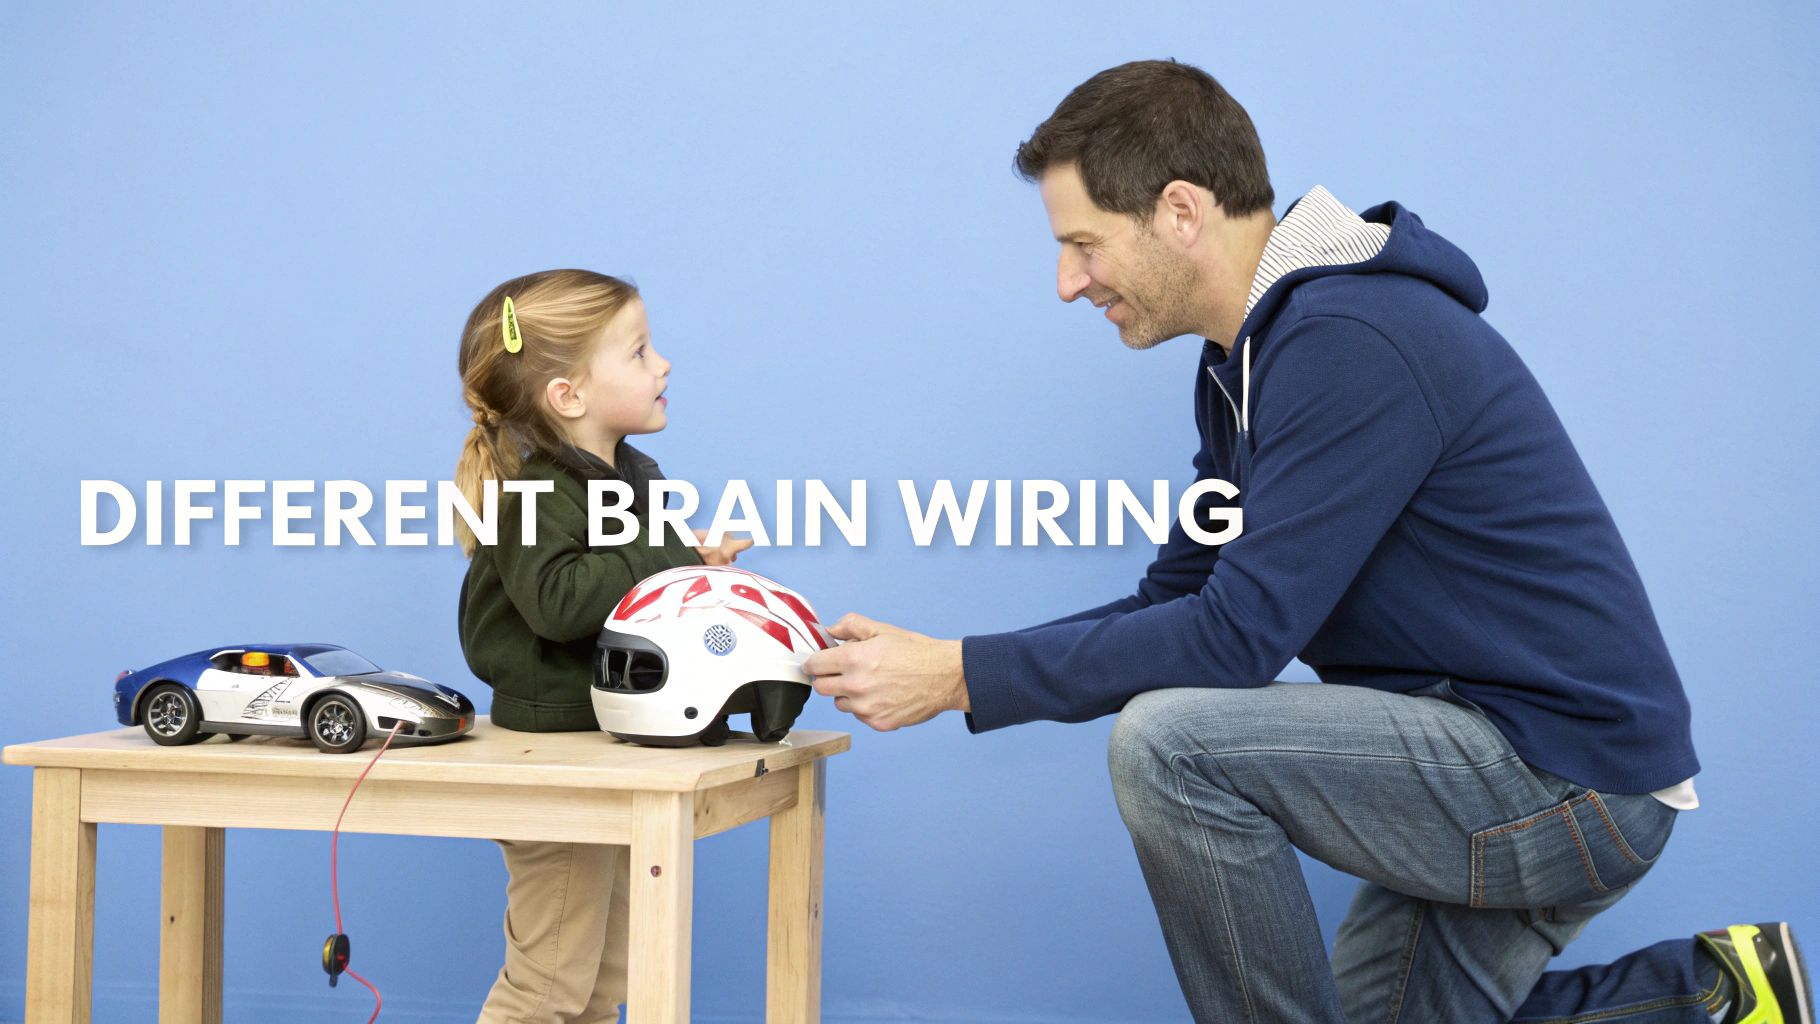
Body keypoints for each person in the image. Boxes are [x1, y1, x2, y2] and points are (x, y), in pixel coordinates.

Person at [802, 61, 1811, 1024]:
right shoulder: (1240, 367)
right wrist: (948, 661)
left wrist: (964, 677)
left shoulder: (1345, 340)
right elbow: (1173, 603)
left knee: (1169, 744)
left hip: (1556, 772)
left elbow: (1232, 641)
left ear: (1181, 211)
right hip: (1505, 752)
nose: (1068, 281)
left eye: (1084, 243)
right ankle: (1713, 997)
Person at [453, 269, 749, 1023]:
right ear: (569, 396)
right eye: (641, 352)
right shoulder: (537, 493)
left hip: (603, 746)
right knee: (546, 985)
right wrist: (670, 551)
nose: (665, 365)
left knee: (599, 983)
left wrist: (688, 568)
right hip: (554, 757)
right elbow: (558, 604)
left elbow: (632, 594)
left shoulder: (624, 481)